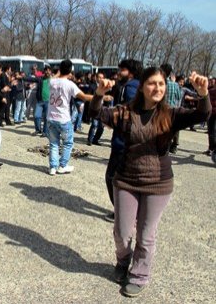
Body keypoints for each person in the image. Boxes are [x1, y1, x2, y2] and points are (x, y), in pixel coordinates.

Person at [90, 68, 211, 297]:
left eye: (161, 84)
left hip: (158, 184)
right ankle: (123, 261)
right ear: (143, 86)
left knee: (146, 235)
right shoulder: (126, 113)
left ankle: (140, 274)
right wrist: (98, 93)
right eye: (152, 83)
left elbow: (202, 115)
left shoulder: (170, 114)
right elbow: (96, 113)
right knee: (122, 232)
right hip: (126, 180)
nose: (157, 88)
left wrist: (203, 94)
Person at [46, 60, 109, 175]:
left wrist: (60, 71)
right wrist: (101, 97)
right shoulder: (70, 84)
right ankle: (62, 165)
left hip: (51, 118)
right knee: (67, 143)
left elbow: (54, 77)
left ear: (60, 69)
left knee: (54, 144)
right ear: (70, 71)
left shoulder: (52, 82)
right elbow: (84, 97)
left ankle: (52, 168)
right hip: (63, 119)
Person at [104, 59, 142, 222]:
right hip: (123, 140)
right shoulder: (129, 86)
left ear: (131, 73)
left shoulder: (131, 88)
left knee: (113, 177)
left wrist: (115, 120)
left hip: (124, 142)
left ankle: (123, 212)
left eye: (122, 70)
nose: (119, 72)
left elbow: (133, 113)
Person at [161, 63, 183, 153]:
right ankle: (175, 145)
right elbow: (178, 97)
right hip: (173, 109)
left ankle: (164, 144)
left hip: (163, 109)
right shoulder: (175, 85)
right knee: (175, 127)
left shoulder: (161, 83)